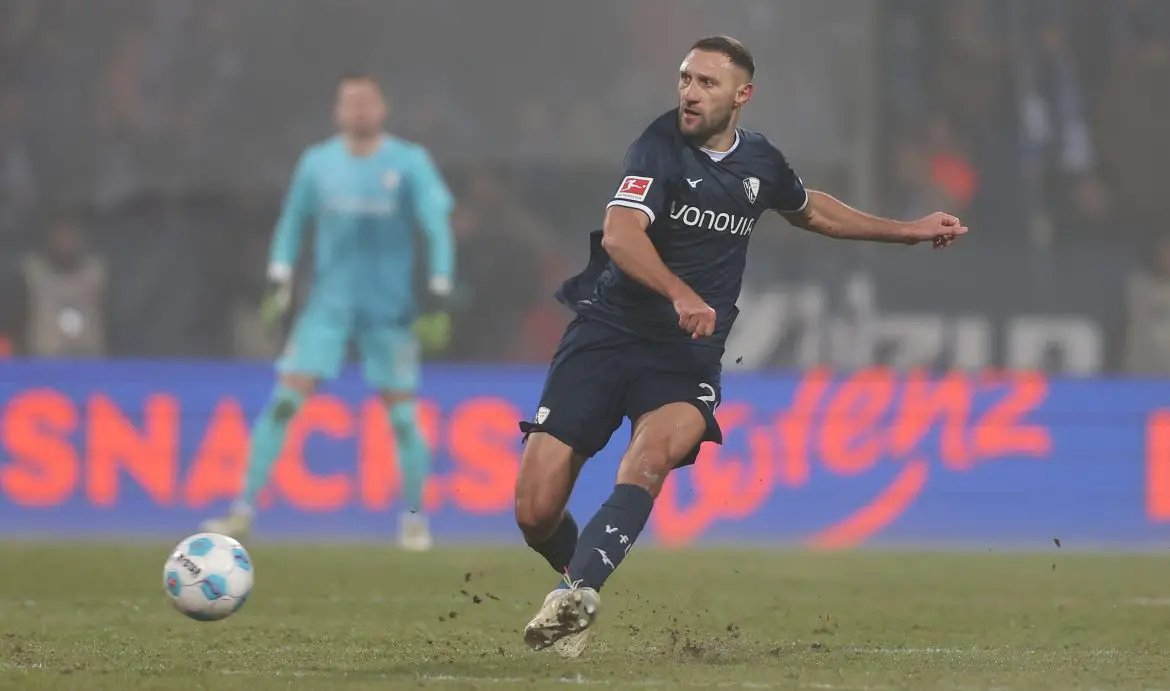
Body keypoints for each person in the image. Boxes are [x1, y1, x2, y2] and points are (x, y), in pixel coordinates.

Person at [514, 35, 967, 657]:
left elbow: (811, 211)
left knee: (648, 460)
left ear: (742, 95)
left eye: (706, 83)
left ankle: (578, 595)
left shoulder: (761, 163)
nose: (689, 93)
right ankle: (574, 578)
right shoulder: (657, 147)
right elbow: (621, 236)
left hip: (683, 356)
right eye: (684, 79)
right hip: (606, 335)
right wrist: (679, 292)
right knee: (534, 512)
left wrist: (908, 232)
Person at [201, 74, 456, 551]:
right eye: (349, 101)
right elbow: (292, 222)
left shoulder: (408, 162)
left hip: (389, 311)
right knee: (283, 401)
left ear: (383, 107)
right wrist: (279, 277)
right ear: (337, 111)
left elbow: (437, 225)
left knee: (403, 418)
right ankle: (242, 510)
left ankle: (416, 520)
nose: (359, 109)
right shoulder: (318, 164)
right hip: (328, 305)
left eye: (367, 100)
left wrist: (440, 291)